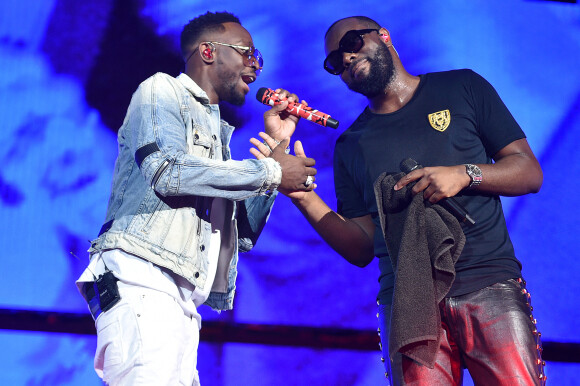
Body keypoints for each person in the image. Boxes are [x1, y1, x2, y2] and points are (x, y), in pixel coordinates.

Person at [252, 16, 546, 385]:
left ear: (384, 36)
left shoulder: (462, 87)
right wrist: (302, 195)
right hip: (408, 303)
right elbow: (361, 247)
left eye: (353, 43)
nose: (345, 59)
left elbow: (528, 172)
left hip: (488, 284)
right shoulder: (351, 145)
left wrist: (464, 173)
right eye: (333, 62)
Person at [76, 11, 316, 385]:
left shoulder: (217, 133)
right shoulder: (160, 90)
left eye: (258, 57)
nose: (256, 65)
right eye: (247, 52)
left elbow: (242, 237)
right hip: (143, 280)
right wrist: (271, 173)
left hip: (181, 301)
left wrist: (277, 153)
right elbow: (166, 171)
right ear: (208, 52)